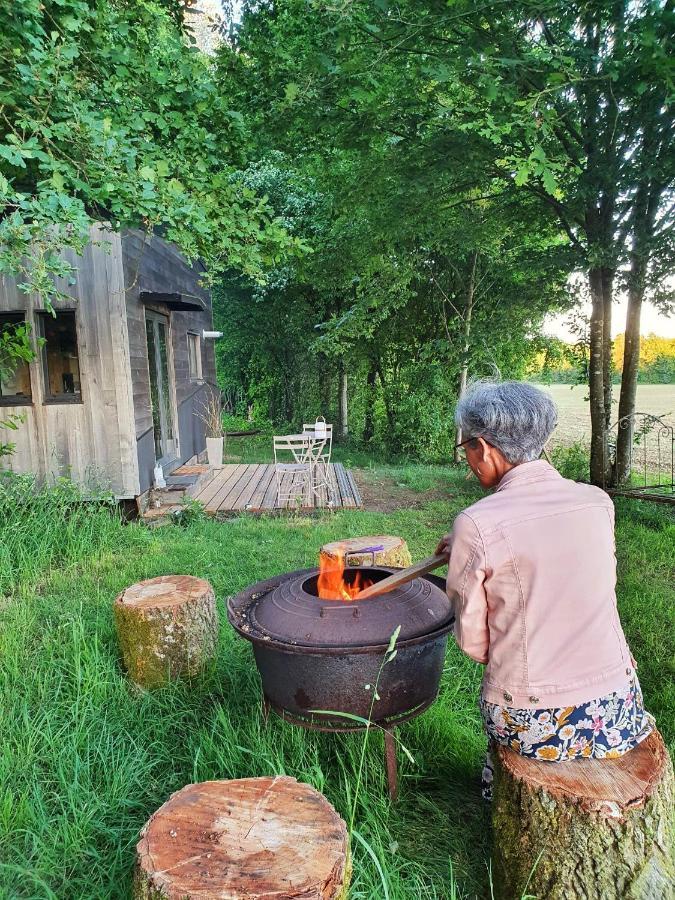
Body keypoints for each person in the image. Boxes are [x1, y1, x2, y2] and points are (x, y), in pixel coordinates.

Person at [436, 381, 653, 800]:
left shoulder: (476, 523)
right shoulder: (597, 502)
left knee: (508, 710)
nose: (468, 461)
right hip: (617, 702)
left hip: (532, 715)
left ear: (482, 446)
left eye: (465, 449)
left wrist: (469, 547)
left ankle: (495, 793)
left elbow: (475, 644)